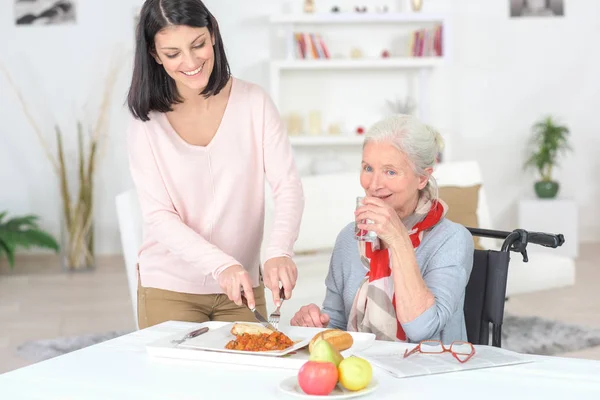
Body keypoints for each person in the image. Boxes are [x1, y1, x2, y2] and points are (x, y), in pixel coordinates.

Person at [126, 0, 304, 329]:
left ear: (212, 35)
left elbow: (287, 185)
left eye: (198, 45)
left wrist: (279, 250)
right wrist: (221, 265)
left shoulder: (254, 103)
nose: (191, 62)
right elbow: (158, 217)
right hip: (170, 286)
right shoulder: (146, 123)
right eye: (173, 53)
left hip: (243, 288)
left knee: (251, 377)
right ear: (154, 54)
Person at [290, 114, 474, 344]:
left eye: (390, 172)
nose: (374, 184)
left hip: (430, 372)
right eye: (368, 168)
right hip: (363, 371)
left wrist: (397, 240)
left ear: (422, 178)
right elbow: (337, 322)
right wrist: (316, 323)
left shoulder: (452, 240)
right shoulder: (349, 238)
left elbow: (421, 328)